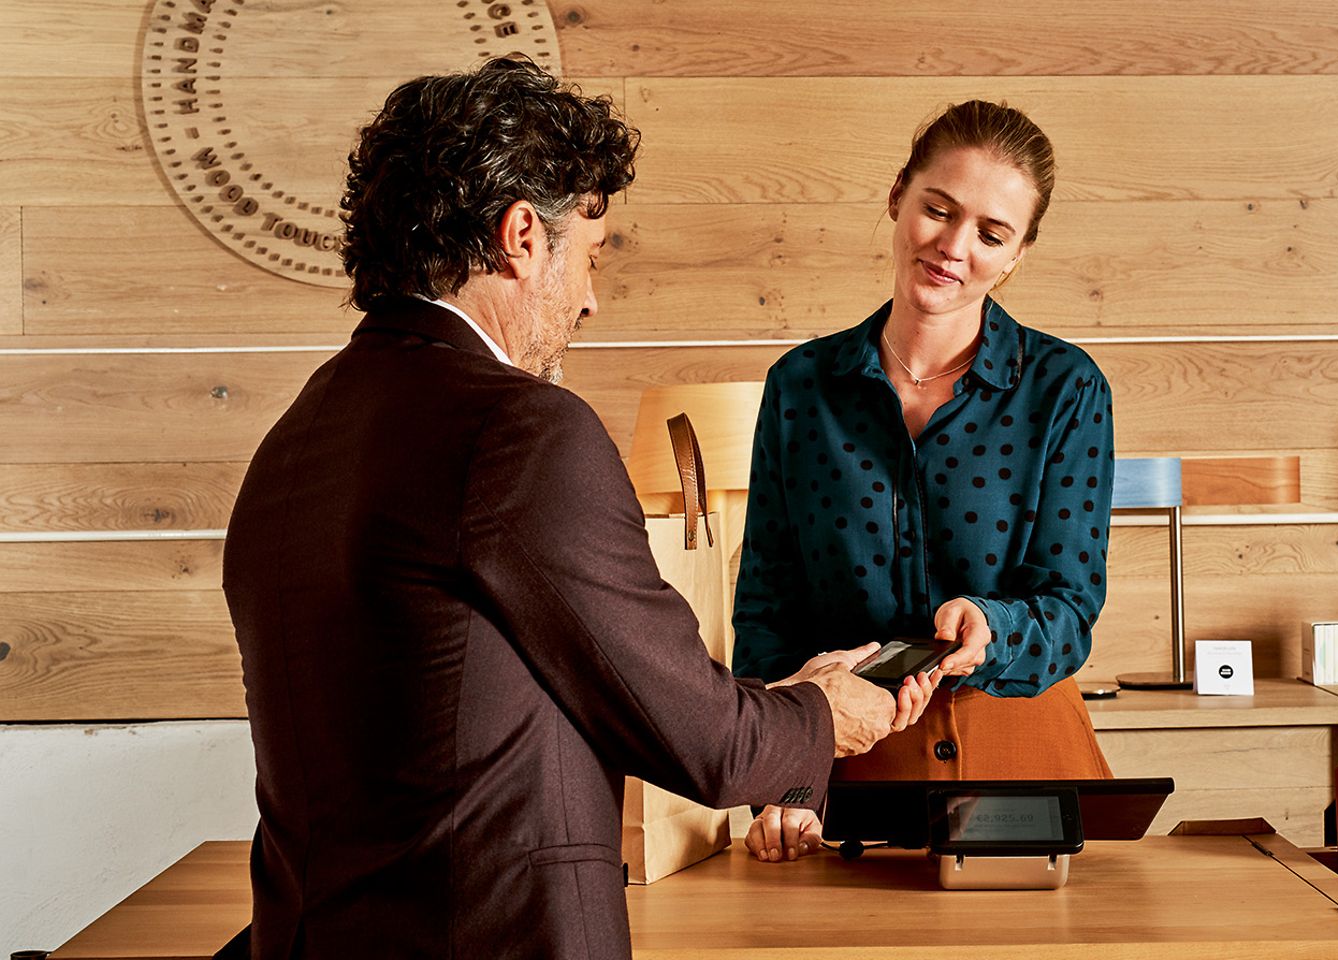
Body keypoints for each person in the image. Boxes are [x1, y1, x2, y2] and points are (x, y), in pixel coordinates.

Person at [222, 59, 904, 959]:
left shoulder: (294, 438)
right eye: (589, 255)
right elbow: (704, 743)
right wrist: (823, 714)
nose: (589, 298)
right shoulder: (522, 433)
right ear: (520, 238)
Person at [732, 100, 1116, 861]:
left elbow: (1071, 610)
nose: (953, 246)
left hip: (1025, 761)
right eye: (937, 210)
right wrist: (786, 778)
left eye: (991, 233)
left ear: (1016, 255)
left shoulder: (1066, 388)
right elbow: (769, 612)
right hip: (849, 767)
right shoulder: (801, 386)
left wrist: (991, 625)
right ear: (897, 196)